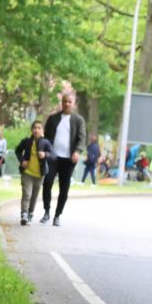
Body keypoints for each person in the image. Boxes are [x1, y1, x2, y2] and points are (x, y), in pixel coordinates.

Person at [41, 87, 86, 227]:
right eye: (64, 101)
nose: (67, 104)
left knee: (64, 188)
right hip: (52, 158)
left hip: (68, 160)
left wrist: (77, 151)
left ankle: (57, 215)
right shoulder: (53, 118)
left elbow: (82, 139)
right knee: (47, 183)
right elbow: (46, 137)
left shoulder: (78, 120)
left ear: (73, 104)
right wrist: (44, 151)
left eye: (69, 102)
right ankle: (46, 212)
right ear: (62, 103)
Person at [15, 121, 53, 225]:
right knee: (27, 194)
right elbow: (17, 150)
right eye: (35, 128)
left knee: (34, 196)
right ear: (32, 130)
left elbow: (53, 155)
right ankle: (24, 214)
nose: (36, 130)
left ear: (42, 131)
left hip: (39, 175)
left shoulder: (46, 143)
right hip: (27, 173)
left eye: (39, 128)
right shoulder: (27, 141)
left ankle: (30, 213)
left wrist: (45, 154)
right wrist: (22, 160)